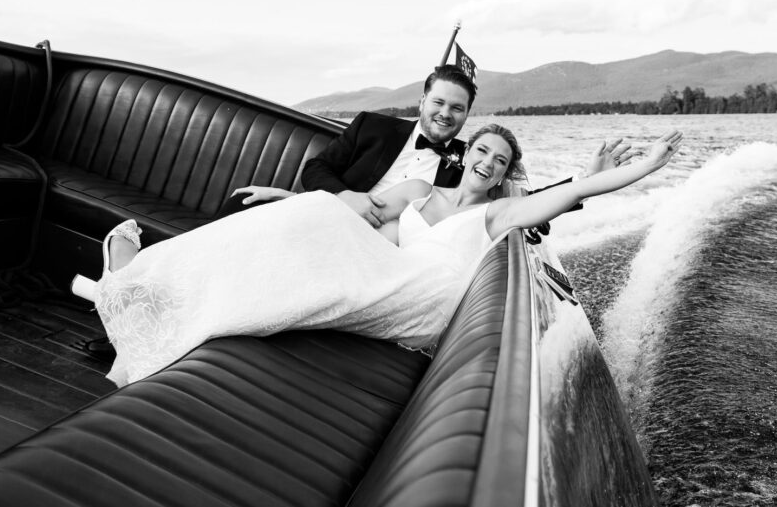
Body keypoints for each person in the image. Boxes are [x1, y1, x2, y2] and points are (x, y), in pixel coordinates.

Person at [84, 124, 683, 386]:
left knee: (317, 227)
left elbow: (572, 193)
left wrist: (639, 168)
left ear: (506, 175)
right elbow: (359, 208)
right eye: (482, 151)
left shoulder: (498, 214)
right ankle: (145, 282)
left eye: (500, 161)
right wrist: (285, 198)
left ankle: (142, 285)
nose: (487, 164)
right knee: (315, 212)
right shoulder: (421, 191)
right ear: (465, 153)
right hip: (389, 275)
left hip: (427, 299)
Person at [217, 65, 635, 227]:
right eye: (438, 103)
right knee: (243, 203)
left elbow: (521, 204)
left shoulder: (465, 167)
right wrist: (347, 196)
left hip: (385, 241)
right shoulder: (372, 126)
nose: (444, 114)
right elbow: (316, 170)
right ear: (422, 102)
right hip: (332, 210)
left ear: (466, 115)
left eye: (457, 108)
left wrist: (587, 179)